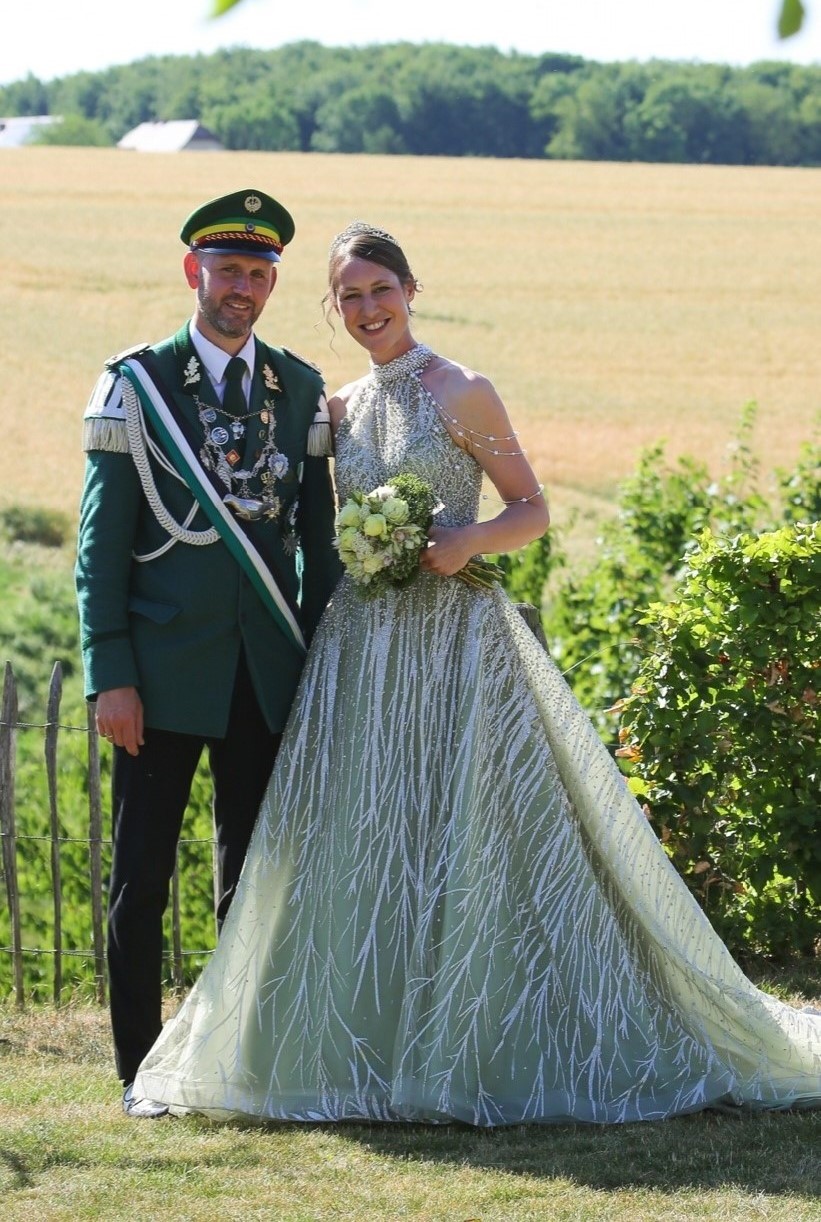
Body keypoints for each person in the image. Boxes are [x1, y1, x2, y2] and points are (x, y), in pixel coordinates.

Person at [133, 222, 821, 1125]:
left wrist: (468, 541)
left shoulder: (462, 389)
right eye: (349, 296)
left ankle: (484, 1026)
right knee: (370, 832)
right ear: (333, 308)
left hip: (456, 641)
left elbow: (531, 508)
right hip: (362, 648)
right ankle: (362, 1033)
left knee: (466, 828)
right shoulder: (336, 408)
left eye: (380, 290)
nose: (367, 309)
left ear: (410, 291)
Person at [74, 189, 341, 1118]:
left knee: (251, 881)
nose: (243, 288)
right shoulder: (137, 383)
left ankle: (232, 1061)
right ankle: (138, 1071)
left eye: (259, 274)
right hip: (159, 678)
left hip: (263, 674)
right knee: (140, 880)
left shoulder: (298, 388)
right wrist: (110, 673)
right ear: (194, 271)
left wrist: (319, 663)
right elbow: (101, 548)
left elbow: (319, 548)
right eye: (228, 270)